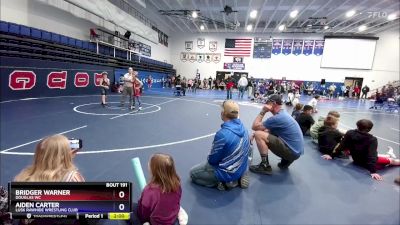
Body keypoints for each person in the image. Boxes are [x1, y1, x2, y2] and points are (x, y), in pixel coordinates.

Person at [190, 100, 251, 190]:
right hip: (240, 166)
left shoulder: (222, 134)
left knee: (193, 173)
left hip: (226, 172)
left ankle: (226, 181)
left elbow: (213, 161)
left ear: (223, 114)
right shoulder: (245, 129)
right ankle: (241, 173)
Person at [322, 119, 400, 181]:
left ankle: (389, 154)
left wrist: (332, 155)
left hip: (356, 159)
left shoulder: (350, 133)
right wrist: (373, 171)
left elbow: (342, 145)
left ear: (357, 126)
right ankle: (390, 155)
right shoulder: (372, 139)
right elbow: (372, 155)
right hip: (367, 163)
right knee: (392, 161)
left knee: (380, 156)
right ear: (369, 129)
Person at [250, 94, 304, 175]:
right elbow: (270, 130)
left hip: (291, 152)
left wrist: (263, 111)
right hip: (296, 151)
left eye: (267, 102)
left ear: (273, 103)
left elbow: (254, 126)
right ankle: (286, 161)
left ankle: (265, 166)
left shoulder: (278, 118)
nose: (266, 104)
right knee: (263, 132)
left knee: (258, 134)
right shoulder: (283, 114)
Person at [137, 153, 187, 225]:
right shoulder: (177, 185)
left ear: (155, 170)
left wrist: (144, 221)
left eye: (150, 163)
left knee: (122, 207)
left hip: (156, 223)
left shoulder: (150, 190)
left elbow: (144, 213)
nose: (148, 164)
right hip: (171, 219)